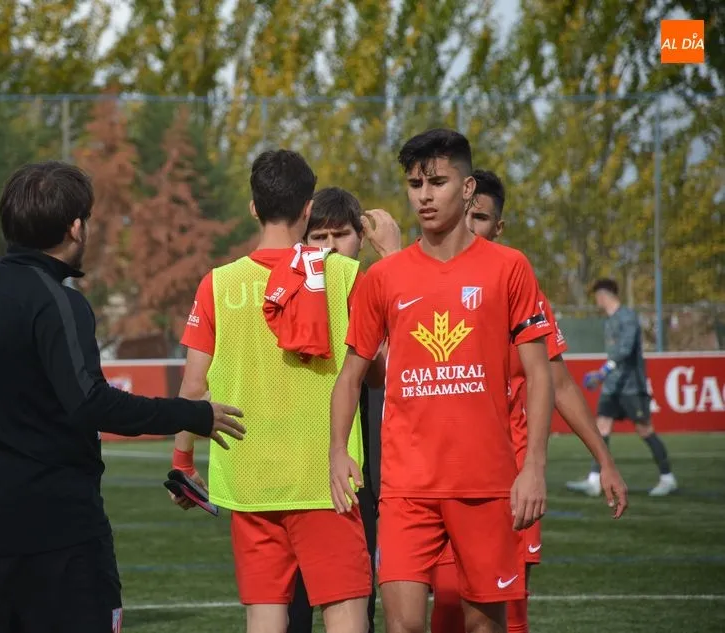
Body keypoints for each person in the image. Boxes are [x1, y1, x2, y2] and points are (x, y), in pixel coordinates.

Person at [0, 160, 246, 633]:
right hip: (60, 529)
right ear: (76, 227)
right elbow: (92, 403)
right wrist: (193, 414)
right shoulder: (59, 301)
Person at [329, 128, 554, 633]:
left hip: (487, 484)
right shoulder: (384, 278)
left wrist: (534, 467)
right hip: (405, 487)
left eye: (437, 182)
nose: (424, 197)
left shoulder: (509, 268)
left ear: (468, 187)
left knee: (482, 626)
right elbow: (350, 375)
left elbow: (541, 375)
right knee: (404, 625)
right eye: (415, 184)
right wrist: (337, 450)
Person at [170, 151, 377, 633]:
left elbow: (193, 385)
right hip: (326, 481)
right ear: (309, 209)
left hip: (249, 482)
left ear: (253, 208)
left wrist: (182, 462)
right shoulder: (344, 275)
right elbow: (379, 368)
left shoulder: (218, 284)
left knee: (264, 616)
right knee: (345, 612)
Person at [428, 170, 629, 633]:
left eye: (481, 218)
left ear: (498, 227)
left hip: (510, 478)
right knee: (448, 607)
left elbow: (559, 385)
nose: (469, 225)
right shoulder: (423, 284)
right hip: (441, 475)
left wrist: (605, 460)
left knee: (509, 610)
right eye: (465, 214)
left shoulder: (520, 291)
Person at [287, 189, 402, 633]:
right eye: (319, 237)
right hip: (296, 475)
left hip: (364, 474)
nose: (330, 247)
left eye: (341, 235)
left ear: (361, 237)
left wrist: (392, 258)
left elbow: (400, 365)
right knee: (292, 609)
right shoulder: (286, 292)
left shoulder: (382, 286)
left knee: (359, 607)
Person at [566, 278, 678, 497]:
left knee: (644, 429)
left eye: (597, 296)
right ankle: (594, 480)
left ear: (603, 295)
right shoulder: (609, 321)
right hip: (612, 386)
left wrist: (603, 372)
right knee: (601, 427)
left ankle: (667, 478)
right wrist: (605, 375)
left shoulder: (627, 317)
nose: (596, 301)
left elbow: (625, 350)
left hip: (631, 386)